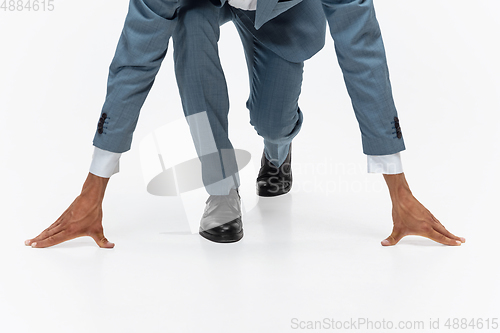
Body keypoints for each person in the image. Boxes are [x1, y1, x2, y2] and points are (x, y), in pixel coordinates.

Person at [25, 0, 465, 248]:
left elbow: (362, 50)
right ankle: (221, 188)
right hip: (204, 5)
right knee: (190, 29)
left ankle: (279, 149)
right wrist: (92, 191)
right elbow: (134, 58)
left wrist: (399, 190)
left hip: (284, 14)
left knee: (272, 120)